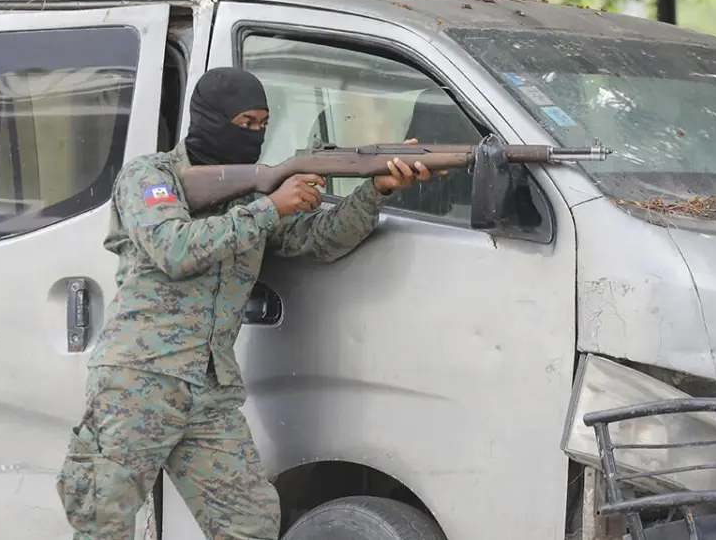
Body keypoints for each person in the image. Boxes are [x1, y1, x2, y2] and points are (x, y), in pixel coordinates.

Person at [57, 67, 440, 540]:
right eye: (245, 123)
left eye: (263, 124)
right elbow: (174, 248)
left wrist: (376, 189)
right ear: (209, 119)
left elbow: (320, 240)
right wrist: (270, 206)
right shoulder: (151, 176)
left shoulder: (254, 192)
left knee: (250, 524)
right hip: (141, 378)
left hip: (210, 390)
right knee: (103, 521)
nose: (255, 135)